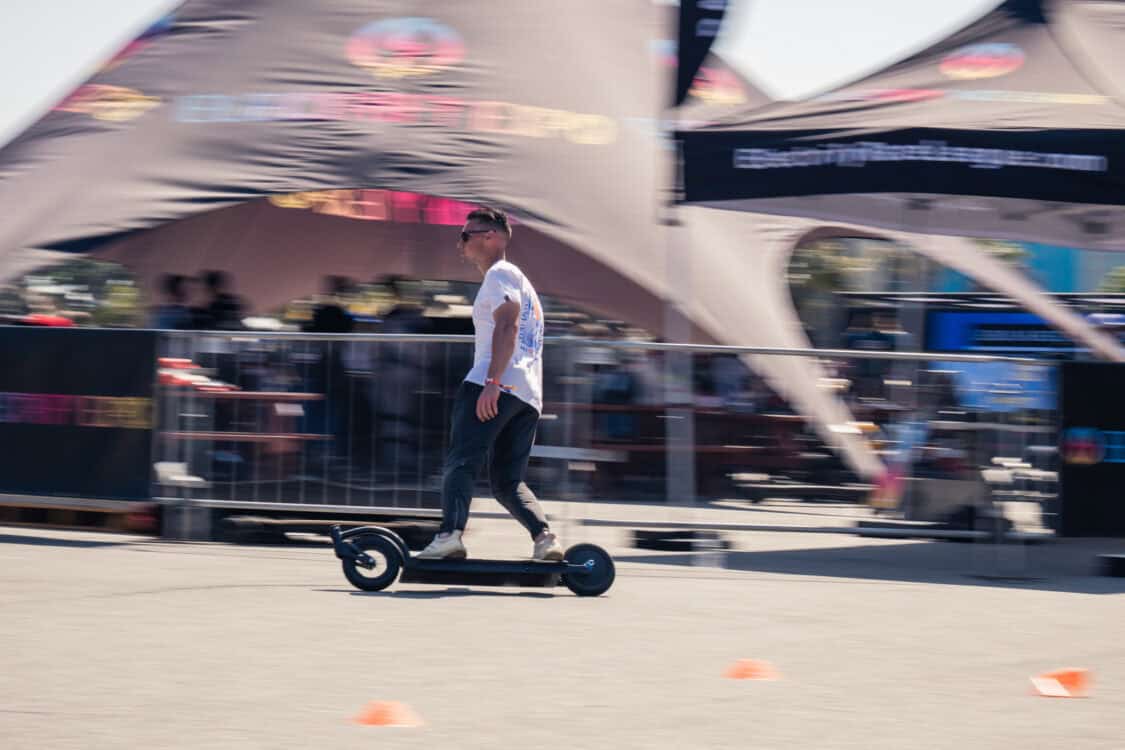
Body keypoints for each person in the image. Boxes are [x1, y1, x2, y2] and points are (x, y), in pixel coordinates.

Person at [417, 207, 562, 560]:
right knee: (506, 481)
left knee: (461, 461)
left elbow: (508, 326)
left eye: (466, 235)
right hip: (528, 394)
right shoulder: (522, 284)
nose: (460, 243)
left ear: (490, 237)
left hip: (494, 383)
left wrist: (492, 381)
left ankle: (450, 534)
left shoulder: (500, 274)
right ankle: (545, 540)